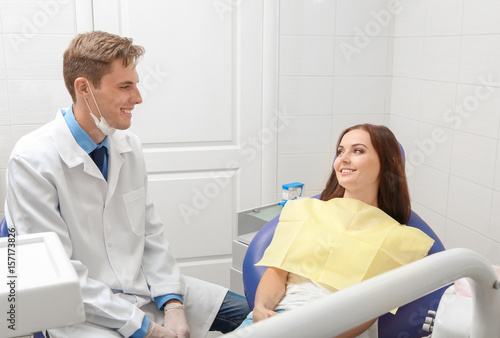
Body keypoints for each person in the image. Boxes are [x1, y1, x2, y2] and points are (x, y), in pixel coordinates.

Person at [4, 31, 249, 338]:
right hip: (82, 311)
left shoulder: (128, 146)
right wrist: (146, 329)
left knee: (254, 315)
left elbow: (150, 232)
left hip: (144, 286)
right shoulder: (32, 161)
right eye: (125, 86)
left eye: (136, 84)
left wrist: (172, 303)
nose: (138, 97)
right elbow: (59, 275)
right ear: (84, 88)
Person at [238, 124, 435, 337]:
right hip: (275, 320)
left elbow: (367, 313)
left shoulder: (400, 240)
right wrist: (260, 311)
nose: (344, 158)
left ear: (389, 162)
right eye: (340, 151)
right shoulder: (304, 211)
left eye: (358, 150)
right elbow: (276, 273)